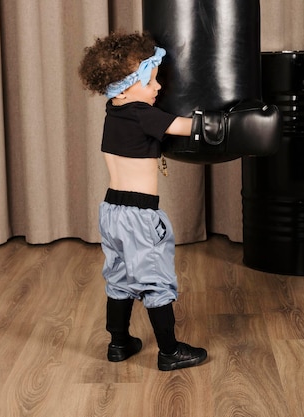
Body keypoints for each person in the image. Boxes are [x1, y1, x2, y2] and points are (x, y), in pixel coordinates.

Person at [78, 31, 207, 371]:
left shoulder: (114, 110)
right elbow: (184, 127)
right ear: (127, 84)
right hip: (138, 214)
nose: (159, 88)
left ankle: (119, 343)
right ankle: (170, 351)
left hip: (111, 211)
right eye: (151, 82)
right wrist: (227, 126)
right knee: (155, 279)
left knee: (118, 276)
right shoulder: (141, 113)